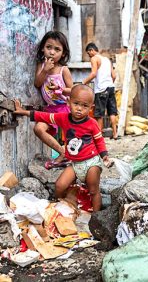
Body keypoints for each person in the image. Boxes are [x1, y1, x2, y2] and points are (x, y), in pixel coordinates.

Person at [14, 84, 113, 212]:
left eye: (84, 106)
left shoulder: (92, 123)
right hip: (75, 164)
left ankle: (96, 216)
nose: (79, 109)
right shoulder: (63, 118)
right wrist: (23, 112)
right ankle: (61, 209)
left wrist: (104, 155)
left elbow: (99, 141)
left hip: (91, 162)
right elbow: (43, 116)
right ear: (68, 102)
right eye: (76, 103)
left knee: (93, 190)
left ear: (91, 108)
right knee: (60, 185)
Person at [34, 31, 74, 169]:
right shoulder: (41, 66)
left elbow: (73, 91)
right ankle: (62, 153)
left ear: (63, 53)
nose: (52, 52)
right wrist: (45, 70)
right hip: (50, 109)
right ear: (42, 48)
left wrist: (60, 89)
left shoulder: (63, 70)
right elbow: (37, 83)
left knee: (72, 137)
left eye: (57, 49)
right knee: (38, 129)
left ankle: (75, 159)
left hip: (64, 108)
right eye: (48, 47)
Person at [82, 43, 118, 140]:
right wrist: (109, 84)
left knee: (99, 114)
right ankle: (115, 134)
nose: (89, 56)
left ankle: (99, 137)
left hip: (101, 89)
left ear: (91, 50)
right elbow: (114, 76)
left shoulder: (94, 58)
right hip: (110, 87)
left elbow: (93, 74)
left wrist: (83, 83)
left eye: (88, 53)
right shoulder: (107, 60)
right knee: (112, 112)